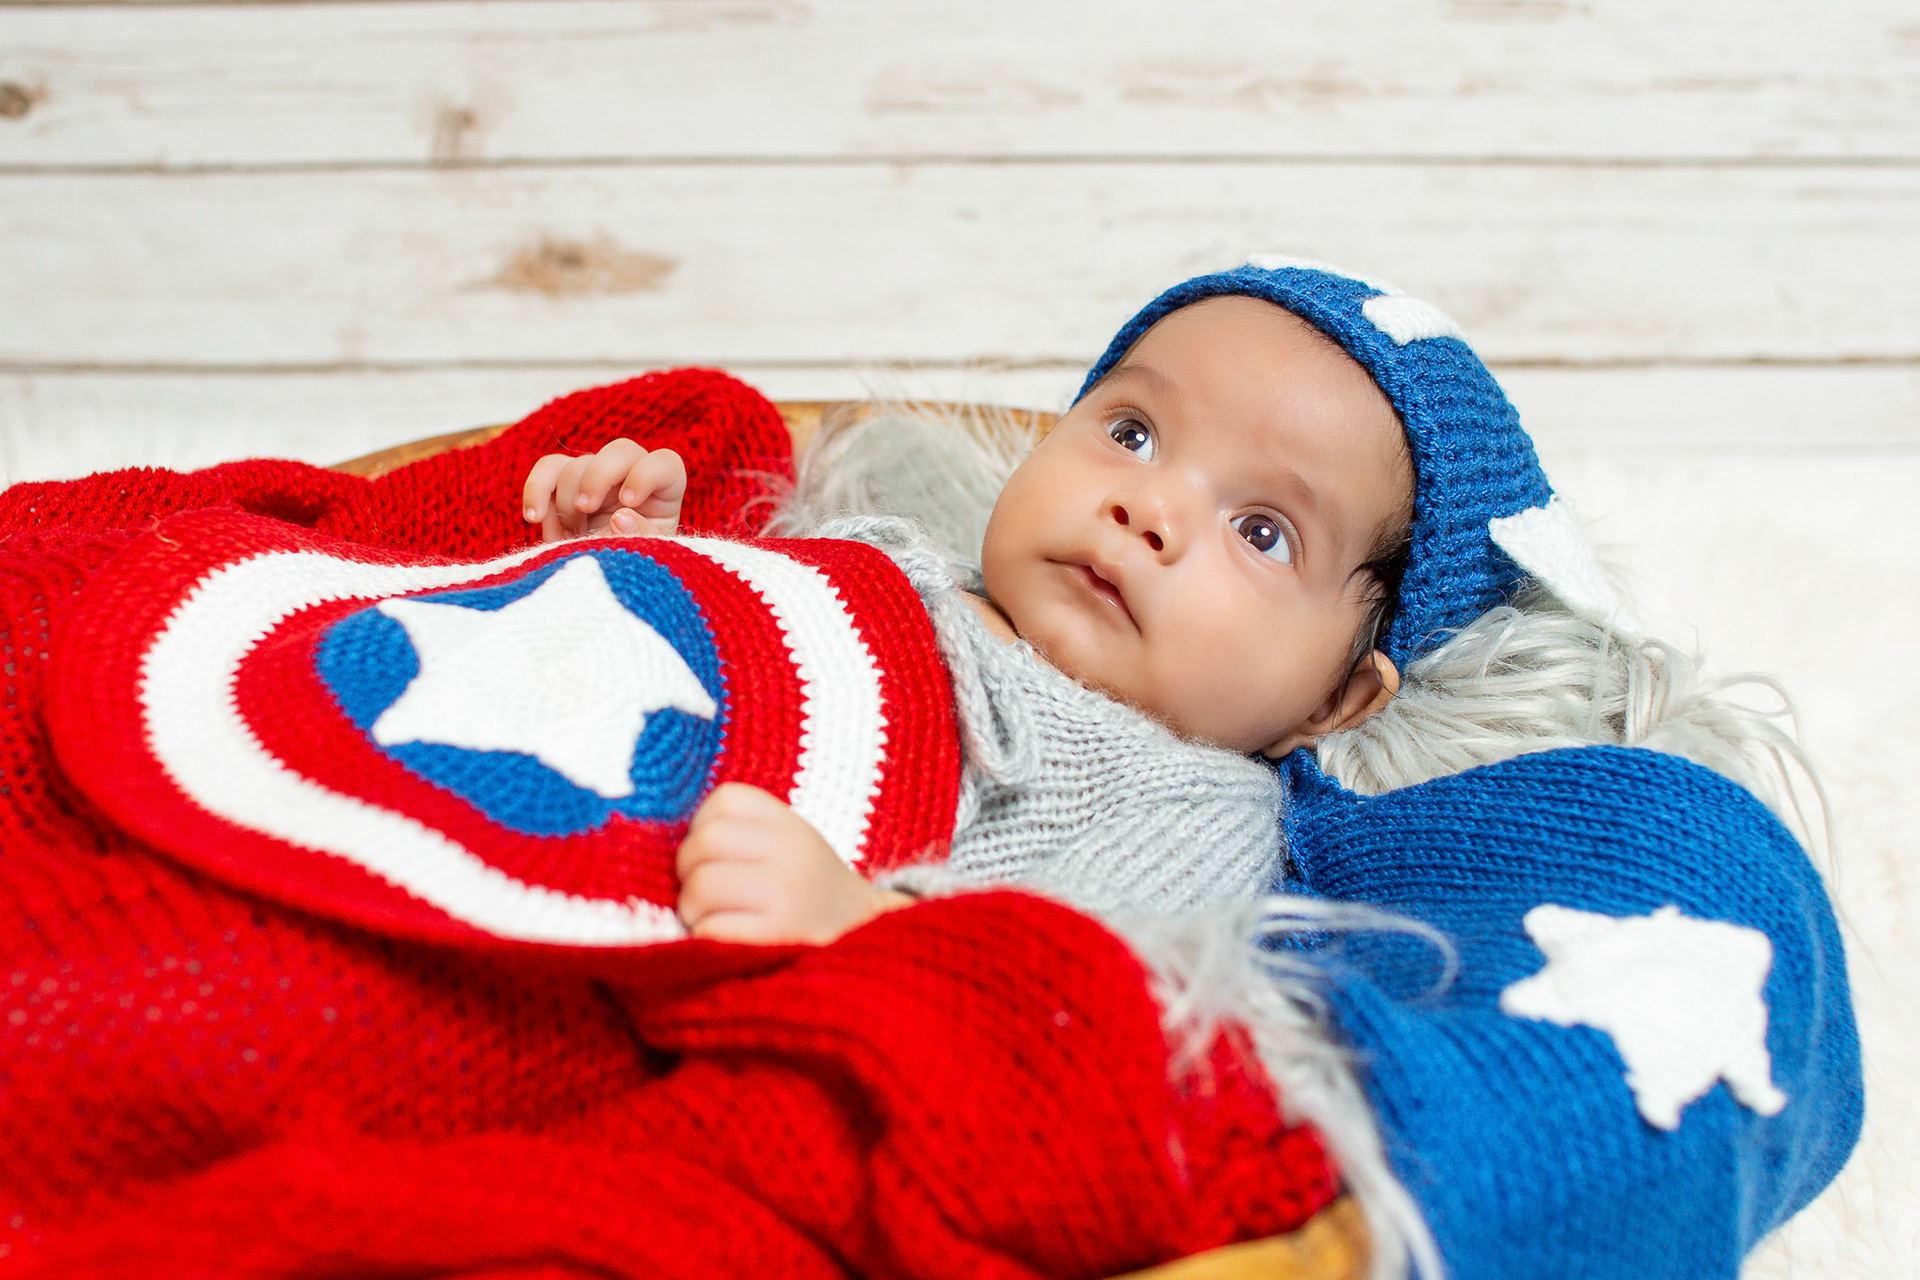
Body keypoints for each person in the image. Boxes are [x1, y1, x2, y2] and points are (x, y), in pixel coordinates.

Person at [524, 289, 1417, 947]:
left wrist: (863, 921)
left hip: (656, 905)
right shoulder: (906, 565)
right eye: (1132, 434)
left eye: (1261, 531)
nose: (1151, 509)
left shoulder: (1199, 807)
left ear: (1332, 701)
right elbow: (739, 637)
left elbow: (1057, 971)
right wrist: (650, 557)